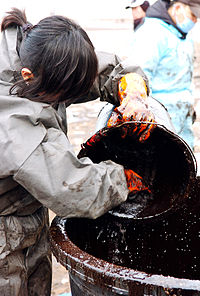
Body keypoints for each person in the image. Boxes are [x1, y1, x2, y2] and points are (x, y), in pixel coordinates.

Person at [0, 8, 156, 296]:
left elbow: (103, 68)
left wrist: (132, 92)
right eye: (66, 96)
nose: (71, 100)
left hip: (30, 206)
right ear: (28, 76)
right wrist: (127, 179)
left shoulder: (36, 49)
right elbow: (68, 188)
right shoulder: (12, 120)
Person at [129, 0, 200, 150]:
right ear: (178, 7)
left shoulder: (182, 36)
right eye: (192, 15)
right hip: (159, 121)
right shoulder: (152, 33)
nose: (194, 20)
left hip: (181, 119)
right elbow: (138, 77)